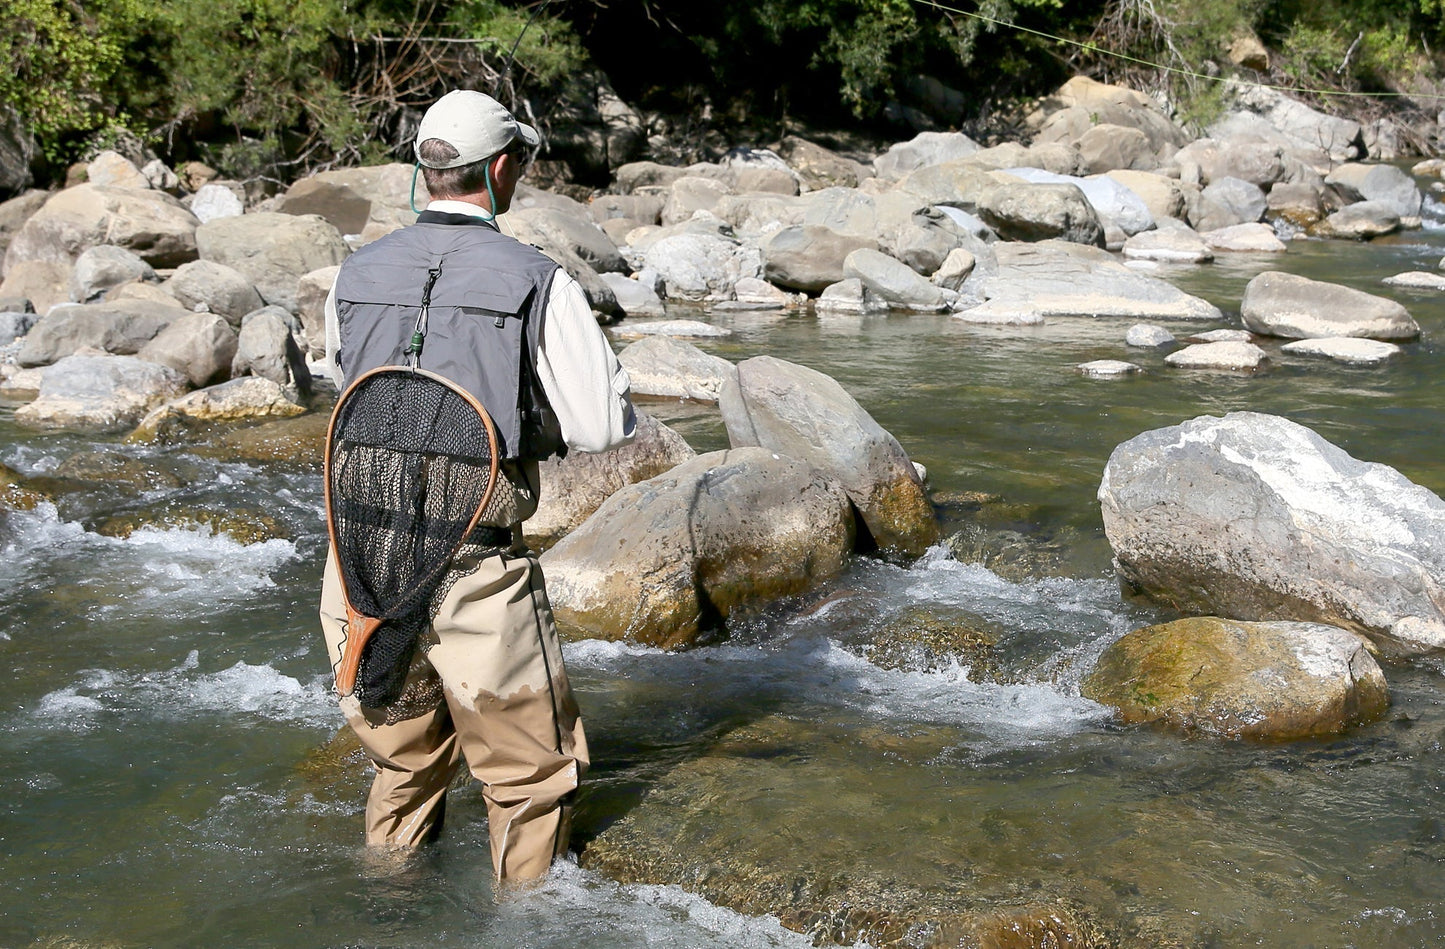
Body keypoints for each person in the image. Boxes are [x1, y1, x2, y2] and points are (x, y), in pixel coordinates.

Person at [317, 89, 635, 883]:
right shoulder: (540, 280)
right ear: (499, 169)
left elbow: (341, 378)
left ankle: (385, 909)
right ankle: (525, 926)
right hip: (475, 566)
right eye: (519, 163)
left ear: (425, 169)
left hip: (358, 563)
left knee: (405, 760)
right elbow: (600, 426)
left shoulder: (354, 271)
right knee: (529, 781)